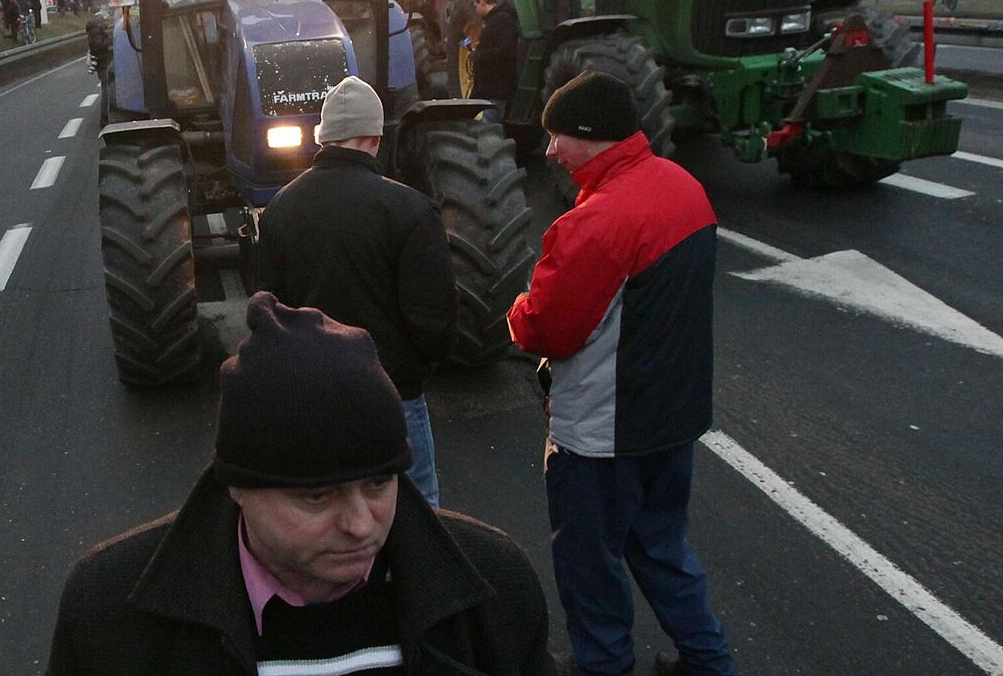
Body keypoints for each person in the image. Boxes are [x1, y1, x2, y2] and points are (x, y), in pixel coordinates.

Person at [48, 293, 554, 675]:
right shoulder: (110, 611)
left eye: (379, 483)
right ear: (238, 486)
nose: (362, 525)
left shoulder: (495, 587)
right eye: (317, 495)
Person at [508, 71, 733, 676]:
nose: (551, 150)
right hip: (674, 418)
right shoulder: (684, 188)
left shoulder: (597, 222)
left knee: (589, 564)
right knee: (662, 548)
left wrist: (515, 309)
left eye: (559, 137)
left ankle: (604, 667)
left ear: (593, 137)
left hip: (604, 435)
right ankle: (709, 661)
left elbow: (547, 329)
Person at [253, 77, 455, 507]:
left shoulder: (279, 209)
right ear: (376, 138)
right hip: (393, 392)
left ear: (322, 138)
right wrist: (413, 373)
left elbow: (269, 307)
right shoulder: (411, 210)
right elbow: (433, 319)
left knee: (328, 514)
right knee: (416, 513)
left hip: (315, 393)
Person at [470, 0, 521, 124]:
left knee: (490, 129)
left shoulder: (501, 21)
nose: (476, 10)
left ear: (482, 2)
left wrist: (479, 55)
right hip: (492, 89)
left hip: (496, 89)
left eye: (476, 6)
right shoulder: (496, 21)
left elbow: (506, 51)